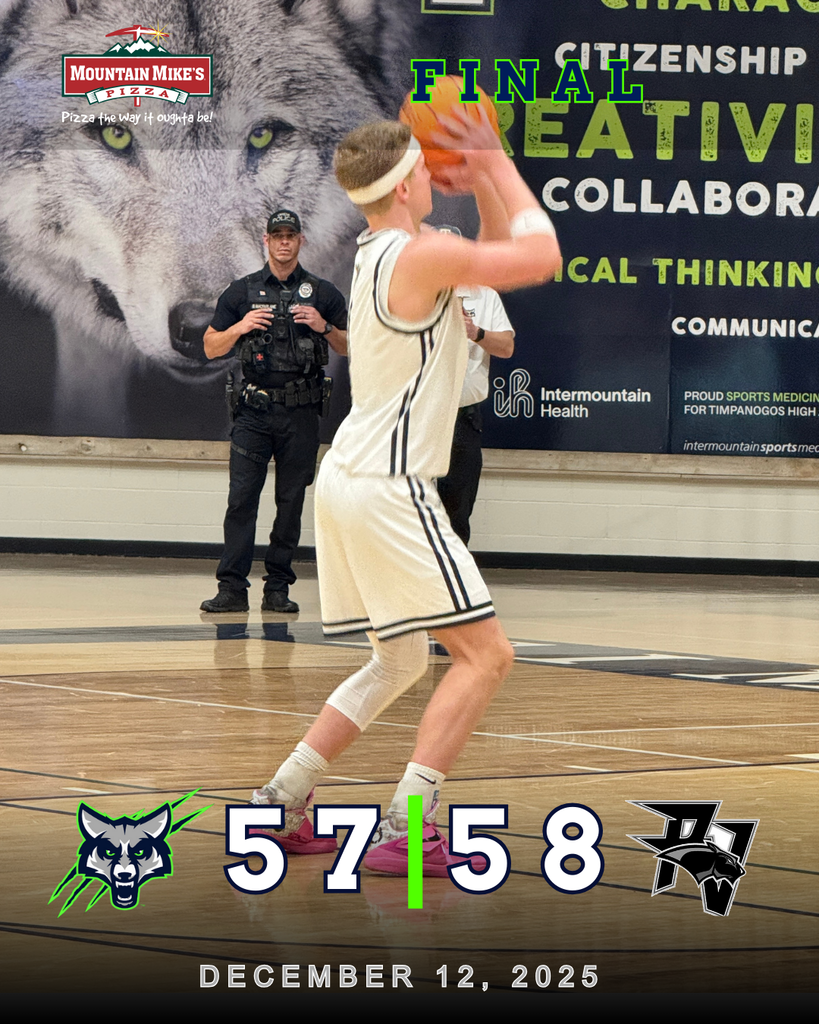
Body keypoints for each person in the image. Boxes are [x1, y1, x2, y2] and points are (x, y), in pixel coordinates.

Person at [250, 110, 560, 874]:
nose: (432, 175)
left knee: (400, 662)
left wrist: (484, 176)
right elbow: (539, 255)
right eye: (424, 167)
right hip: (391, 485)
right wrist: (490, 160)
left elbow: (488, 251)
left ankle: (279, 800)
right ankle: (405, 827)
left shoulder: (382, 250)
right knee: (486, 657)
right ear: (405, 182)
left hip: (349, 476)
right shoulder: (422, 254)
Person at [200, 210, 348, 614]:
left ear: (301, 241)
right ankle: (231, 588)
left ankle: (277, 588)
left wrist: (323, 326)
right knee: (242, 499)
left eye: (291, 235)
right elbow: (211, 346)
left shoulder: (321, 292)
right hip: (253, 412)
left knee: (290, 502)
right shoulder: (242, 291)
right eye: (277, 236)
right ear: (265, 241)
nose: (284, 242)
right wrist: (241, 327)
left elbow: (350, 346)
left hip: (300, 412)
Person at [435, 225, 516, 546]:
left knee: (457, 507)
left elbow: (507, 347)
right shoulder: (412, 296)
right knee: (414, 508)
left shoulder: (485, 296)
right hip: (421, 416)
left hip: (462, 418)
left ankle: (453, 587)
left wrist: (475, 332)